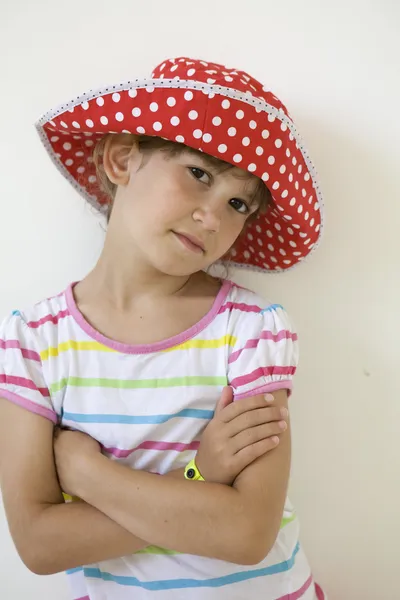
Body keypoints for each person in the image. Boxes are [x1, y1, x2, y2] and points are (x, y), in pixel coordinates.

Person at [0, 56, 325, 599]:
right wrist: (202, 481)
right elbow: (39, 545)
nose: (213, 217)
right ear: (122, 159)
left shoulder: (253, 330)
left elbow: (247, 533)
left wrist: (87, 476)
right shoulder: (34, 340)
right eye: (199, 174)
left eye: (238, 203)